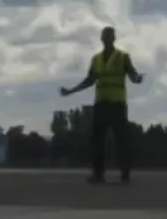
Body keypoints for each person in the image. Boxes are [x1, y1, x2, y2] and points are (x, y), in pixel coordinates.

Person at [59, 25, 144, 184]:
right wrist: (72, 91)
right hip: (101, 104)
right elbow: (90, 80)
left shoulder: (123, 57)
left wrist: (137, 79)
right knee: (97, 140)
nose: (106, 39)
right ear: (101, 39)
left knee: (121, 140)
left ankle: (125, 173)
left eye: (109, 36)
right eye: (104, 36)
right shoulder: (96, 59)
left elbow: (133, 74)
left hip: (117, 105)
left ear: (114, 38)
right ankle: (98, 174)